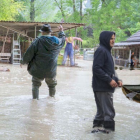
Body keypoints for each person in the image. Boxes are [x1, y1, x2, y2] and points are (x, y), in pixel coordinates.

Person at [20, 24, 65, 99]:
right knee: (52, 85)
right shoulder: (56, 41)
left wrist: (23, 61)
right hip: (51, 69)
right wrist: (61, 32)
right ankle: (52, 100)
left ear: (42, 32)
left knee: (36, 85)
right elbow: (62, 41)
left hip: (38, 69)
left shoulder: (38, 41)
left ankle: (35, 102)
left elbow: (29, 53)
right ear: (50, 32)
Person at [92, 31, 122, 133]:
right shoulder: (102, 51)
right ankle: (109, 135)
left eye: (114, 38)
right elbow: (96, 69)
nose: (113, 41)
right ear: (105, 39)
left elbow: (109, 71)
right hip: (103, 87)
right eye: (111, 38)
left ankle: (97, 132)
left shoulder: (106, 51)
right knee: (108, 113)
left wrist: (117, 80)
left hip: (101, 86)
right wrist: (109, 80)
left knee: (101, 113)